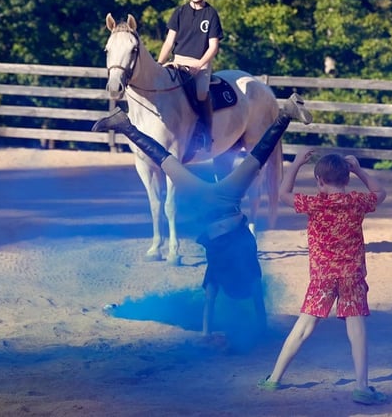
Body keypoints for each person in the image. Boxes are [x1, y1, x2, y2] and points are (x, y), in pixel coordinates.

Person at [92, 93, 312, 337]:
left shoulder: (235, 274)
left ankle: (124, 124)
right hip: (217, 199)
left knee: (251, 157)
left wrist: (211, 335)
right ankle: (125, 125)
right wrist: (218, 334)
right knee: (166, 159)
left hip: (223, 198)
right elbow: (230, 304)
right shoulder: (234, 275)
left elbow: (230, 305)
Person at [258, 149, 388, 406]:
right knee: (356, 329)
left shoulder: (314, 204)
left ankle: (274, 378)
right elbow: (380, 193)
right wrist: (359, 170)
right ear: (347, 179)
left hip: (322, 277)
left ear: (319, 181)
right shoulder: (356, 201)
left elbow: (283, 193)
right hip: (351, 275)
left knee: (303, 327)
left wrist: (296, 163)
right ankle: (361, 386)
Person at [156, 0, 223, 151]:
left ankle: (206, 134)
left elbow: (213, 47)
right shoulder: (179, 12)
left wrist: (200, 65)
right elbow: (169, 42)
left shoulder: (211, 14)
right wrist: (159, 64)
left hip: (200, 64)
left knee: (201, 93)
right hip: (177, 62)